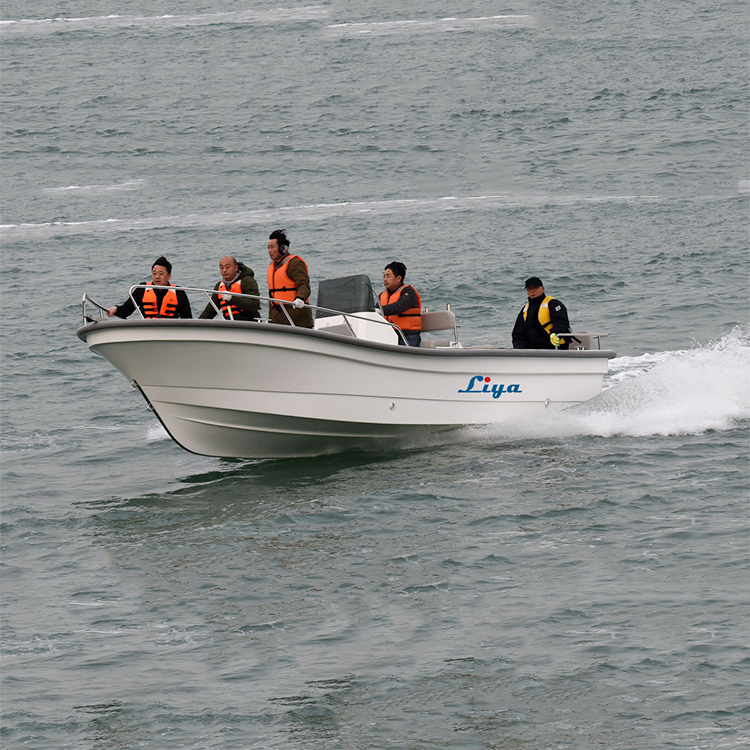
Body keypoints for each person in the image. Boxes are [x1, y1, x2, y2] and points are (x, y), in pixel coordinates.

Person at [107, 256, 192, 319]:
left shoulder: (178, 292)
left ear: (169, 276)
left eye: (161, 274)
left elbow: (187, 319)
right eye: (154, 273)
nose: (157, 277)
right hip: (148, 330)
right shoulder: (142, 289)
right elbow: (125, 311)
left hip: (171, 331)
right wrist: (116, 309)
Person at [266, 229, 313, 328]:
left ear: (283, 248)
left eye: (272, 247)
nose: (269, 251)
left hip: (296, 319)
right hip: (277, 319)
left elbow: (304, 284)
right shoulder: (273, 267)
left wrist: (300, 298)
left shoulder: (294, 263)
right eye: (268, 248)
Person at [512, 276, 571, 349]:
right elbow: (518, 334)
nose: (532, 291)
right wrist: (520, 350)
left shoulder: (553, 304)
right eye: (529, 288)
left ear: (542, 289)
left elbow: (562, 321)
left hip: (555, 348)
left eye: (535, 287)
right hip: (532, 352)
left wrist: (555, 333)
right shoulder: (525, 310)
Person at [199, 256, 260, 321]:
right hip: (230, 324)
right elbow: (211, 309)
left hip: (249, 323)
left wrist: (232, 298)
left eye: (227, 267)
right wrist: (198, 323)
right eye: (221, 268)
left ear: (236, 267)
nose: (224, 270)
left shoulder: (247, 281)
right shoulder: (219, 286)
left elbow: (254, 304)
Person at [379, 261, 422, 347]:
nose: (385, 279)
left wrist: (379, 310)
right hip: (389, 335)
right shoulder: (382, 295)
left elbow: (399, 306)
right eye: (384, 277)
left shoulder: (409, 292)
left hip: (408, 336)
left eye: (388, 276)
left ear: (398, 278)